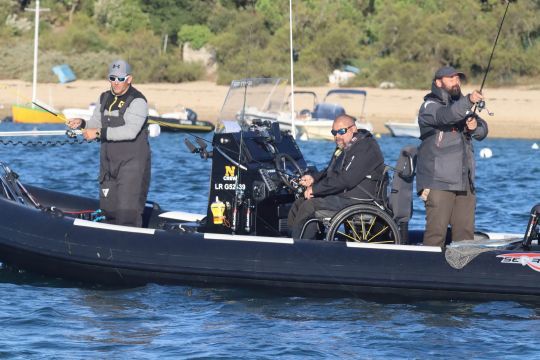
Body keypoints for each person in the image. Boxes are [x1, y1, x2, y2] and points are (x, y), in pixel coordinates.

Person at [67, 60, 151, 227]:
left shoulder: (138, 101)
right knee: (108, 211)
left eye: (120, 79)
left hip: (131, 165)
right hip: (108, 165)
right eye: (112, 78)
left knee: (127, 214)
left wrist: (98, 132)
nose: (116, 82)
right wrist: (82, 124)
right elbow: (95, 123)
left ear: (129, 79)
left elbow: (130, 131)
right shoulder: (104, 97)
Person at [416, 66, 489, 247]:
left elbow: (483, 130)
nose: (456, 82)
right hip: (438, 181)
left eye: (458, 78)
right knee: (436, 234)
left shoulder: (462, 107)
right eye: (451, 78)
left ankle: (462, 271)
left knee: (465, 236)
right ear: (438, 82)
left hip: (464, 181)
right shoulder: (429, 106)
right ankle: (429, 272)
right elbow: (445, 117)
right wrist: (468, 100)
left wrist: (474, 127)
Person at [288, 114, 385, 239]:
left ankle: (302, 247)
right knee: (299, 203)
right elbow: (331, 171)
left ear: (353, 129)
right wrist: (314, 178)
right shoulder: (346, 146)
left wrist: (315, 189)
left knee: (309, 206)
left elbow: (345, 180)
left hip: (359, 198)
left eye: (341, 131)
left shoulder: (365, 147)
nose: (337, 136)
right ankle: (292, 240)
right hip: (346, 194)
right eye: (334, 132)